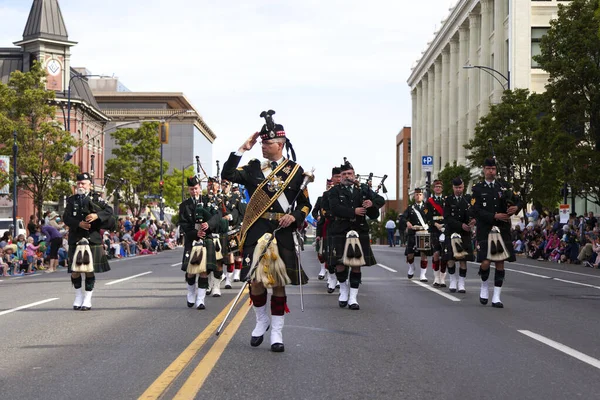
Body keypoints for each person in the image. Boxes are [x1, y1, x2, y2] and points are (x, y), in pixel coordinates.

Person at [221, 118, 311, 353]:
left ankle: (278, 332)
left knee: (278, 282)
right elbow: (227, 173)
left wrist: (295, 218)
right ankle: (262, 320)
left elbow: (304, 205)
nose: (263, 145)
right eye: (261, 142)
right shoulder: (252, 168)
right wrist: (242, 148)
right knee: (256, 280)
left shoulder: (295, 171)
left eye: (267, 142)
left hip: (281, 231)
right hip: (256, 230)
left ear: (280, 144)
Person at [327, 160, 384, 310]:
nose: (347, 176)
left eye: (349, 173)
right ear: (341, 176)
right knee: (340, 263)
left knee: (357, 265)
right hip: (341, 230)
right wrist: (353, 211)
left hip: (359, 230)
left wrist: (371, 203)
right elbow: (334, 208)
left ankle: (353, 297)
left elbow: (380, 201)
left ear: (354, 174)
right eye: (344, 174)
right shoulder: (334, 191)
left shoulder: (363, 189)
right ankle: (344, 291)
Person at [470, 158, 522, 308]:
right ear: (484, 170)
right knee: (486, 261)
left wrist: (515, 208)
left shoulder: (503, 187)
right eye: (488, 169)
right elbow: (475, 210)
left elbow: (518, 200)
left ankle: (497, 296)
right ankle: (484, 285)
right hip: (485, 229)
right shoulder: (477, 189)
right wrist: (493, 216)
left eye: (493, 169)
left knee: (500, 261)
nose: (491, 171)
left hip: (502, 229)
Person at [63, 173, 114, 311]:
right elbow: (66, 218)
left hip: (92, 238)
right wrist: (78, 224)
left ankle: (87, 299)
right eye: (78, 183)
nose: (80, 186)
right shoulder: (71, 200)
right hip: (76, 238)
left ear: (89, 185)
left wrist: (97, 215)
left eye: (83, 183)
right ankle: (78, 296)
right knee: (75, 271)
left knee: (89, 271)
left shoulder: (96, 199)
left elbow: (109, 211)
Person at [178, 175, 223, 310]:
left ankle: (201, 299)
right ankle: (191, 293)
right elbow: (184, 224)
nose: (194, 191)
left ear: (200, 188)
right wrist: (195, 233)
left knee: (204, 271)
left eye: (196, 188)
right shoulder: (184, 205)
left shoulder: (208, 201)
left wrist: (208, 224)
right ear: (189, 190)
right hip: (192, 240)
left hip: (206, 239)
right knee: (191, 271)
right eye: (192, 189)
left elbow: (218, 216)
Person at [442, 177, 474, 293]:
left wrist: (473, 221)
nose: (458, 190)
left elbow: (474, 212)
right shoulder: (448, 200)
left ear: (463, 187)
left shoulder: (468, 200)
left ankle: (461, 283)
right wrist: (461, 225)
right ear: (453, 188)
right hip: (451, 232)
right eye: (456, 188)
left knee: (463, 259)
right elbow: (447, 218)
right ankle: (452, 280)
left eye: (460, 187)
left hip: (464, 233)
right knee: (450, 258)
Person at [315, 169, 342, 293]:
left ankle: (342, 282)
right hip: (329, 226)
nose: (338, 179)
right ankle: (331, 277)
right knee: (328, 254)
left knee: (344, 257)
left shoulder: (352, 192)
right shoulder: (326, 195)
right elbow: (322, 211)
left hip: (346, 227)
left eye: (340, 176)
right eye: (336, 176)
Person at [402, 188, 430, 281]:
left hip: (423, 232)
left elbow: (431, 219)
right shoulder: (410, 208)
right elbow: (403, 218)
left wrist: (427, 226)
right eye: (417, 195)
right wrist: (407, 223)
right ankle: (411, 267)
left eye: (420, 194)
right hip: (412, 233)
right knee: (410, 254)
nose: (418, 196)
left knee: (424, 253)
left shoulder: (427, 208)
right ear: (414, 196)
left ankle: (423, 274)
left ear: (423, 196)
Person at [425, 179, 447, 287]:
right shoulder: (429, 201)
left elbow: (450, 214)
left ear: (442, 188)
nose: (438, 188)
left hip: (445, 229)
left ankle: (443, 277)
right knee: (436, 253)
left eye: (440, 187)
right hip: (434, 229)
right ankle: (436, 277)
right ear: (434, 189)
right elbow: (427, 216)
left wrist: (445, 225)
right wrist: (435, 224)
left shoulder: (446, 200)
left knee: (445, 254)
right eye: (436, 187)